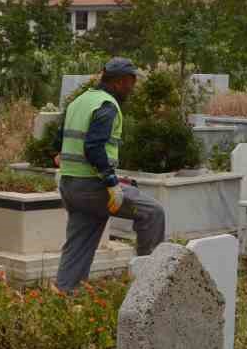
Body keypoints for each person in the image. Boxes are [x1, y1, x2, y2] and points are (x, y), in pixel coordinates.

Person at [55, 57, 166, 292]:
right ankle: (149, 286)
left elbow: (58, 140)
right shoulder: (107, 106)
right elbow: (93, 147)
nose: (132, 88)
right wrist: (112, 182)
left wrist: (63, 157)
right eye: (130, 83)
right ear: (119, 82)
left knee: (79, 243)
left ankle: (64, 294)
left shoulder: (79, 101)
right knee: (152, 212)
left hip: (70, 186)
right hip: (93, 188)